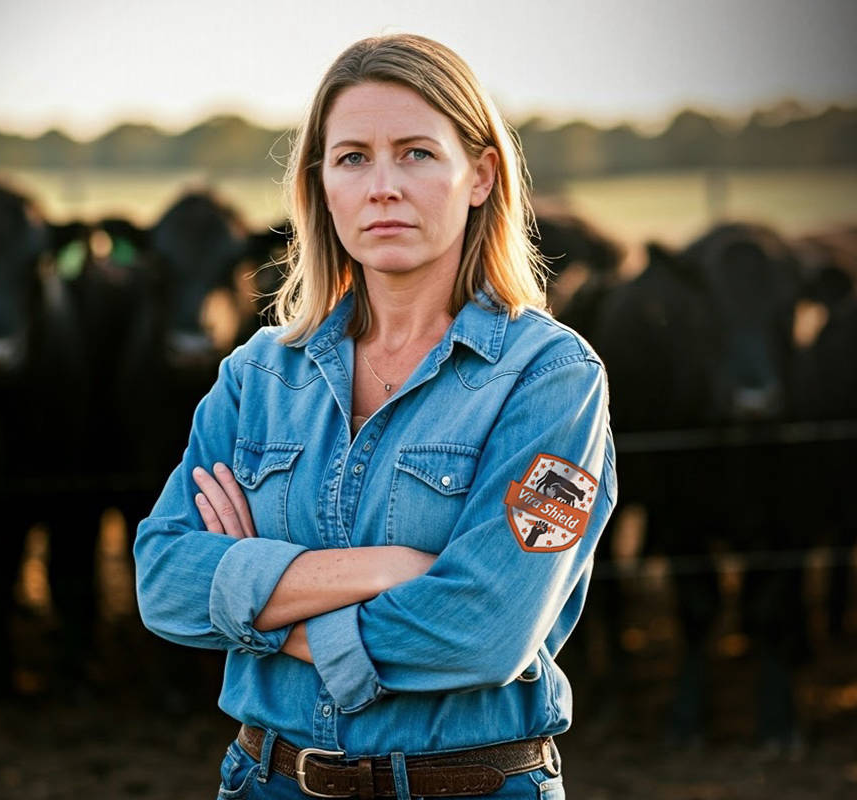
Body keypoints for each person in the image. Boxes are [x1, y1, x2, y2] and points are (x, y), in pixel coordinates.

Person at [132, 33, 615, 799]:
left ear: (481, 175)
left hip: (469, 785)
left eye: (417, 153)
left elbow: (482, 632)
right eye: (353, 157)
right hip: (267, 781)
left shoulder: (551, 379)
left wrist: (256, 608)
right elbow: (162, 581)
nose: (382, 185)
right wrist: (382, 571)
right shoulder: (258, 373)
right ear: (322, 184)